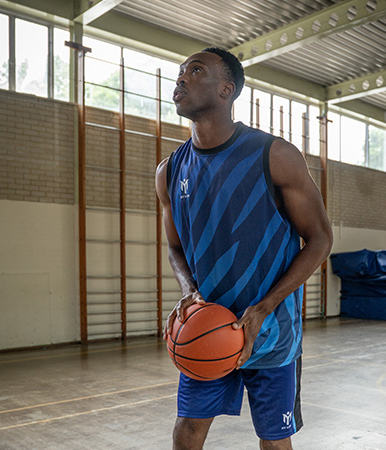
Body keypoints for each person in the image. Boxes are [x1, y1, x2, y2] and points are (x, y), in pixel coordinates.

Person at [155, 47, 333, 450]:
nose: (181, 78)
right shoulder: (170, 171)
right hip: (208, 328)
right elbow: (174, 248)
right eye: (180, 71)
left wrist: (264, 307)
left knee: (274, 440)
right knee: (187, 433)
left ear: (225, 89)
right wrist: (189, 291)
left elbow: (321, 240)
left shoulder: (275, 155)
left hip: (272, 332)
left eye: (195, 70)